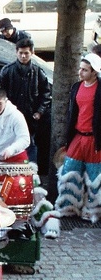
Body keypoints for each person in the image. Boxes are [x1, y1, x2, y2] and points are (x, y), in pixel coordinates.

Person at [55, 53, 101, 224]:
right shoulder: (76, 87)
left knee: (95, 175)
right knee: (69, 171)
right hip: (77, 136)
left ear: (94, 72)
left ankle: (92, 211)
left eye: (85, 70)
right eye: (80, 69)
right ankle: (68, 207)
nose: (80, 72)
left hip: (95, 140)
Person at [0, 38, 52, 170]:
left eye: (26, 53)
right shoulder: (7, 71)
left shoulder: (38, 72)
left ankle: (31, 175)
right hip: (10, 117)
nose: (23, 56)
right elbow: (0, 94)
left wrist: (39, 111)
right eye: (21, 52)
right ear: (16, 52)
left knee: (30, 145)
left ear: (32, 53)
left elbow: (46, 93)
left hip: (30, 118)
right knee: (9, 145)